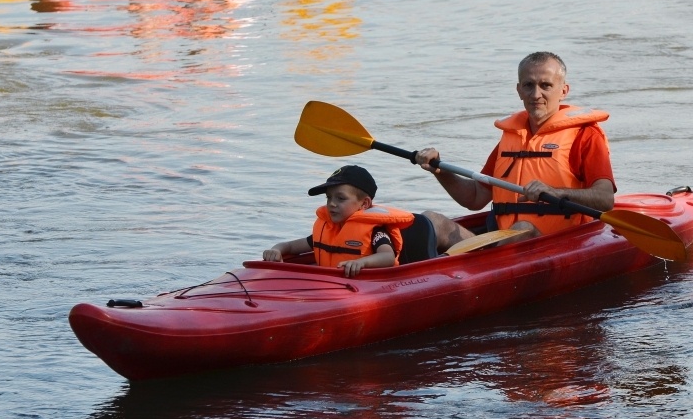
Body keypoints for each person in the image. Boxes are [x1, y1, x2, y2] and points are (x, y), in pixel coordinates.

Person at [414, 51, 617, 251]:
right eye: (528, 85)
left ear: (563, 90)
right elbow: (475, 198)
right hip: (504, 242)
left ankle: (482, 270)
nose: (536, 94)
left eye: (545, 85)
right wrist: (439, 170)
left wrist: (556, 192)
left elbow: (605, 199)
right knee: (432, 221)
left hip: (559, 244)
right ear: (519, 90)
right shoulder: (511, 137)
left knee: (522, 229)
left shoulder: (586, 135)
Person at [262, 165, 415, 277]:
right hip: (332, 284)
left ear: (365, 204)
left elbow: (387, 256)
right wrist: (276, 250)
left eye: (340, 198)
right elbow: (289, 246)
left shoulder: (376, 231)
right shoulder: (327, 229)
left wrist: (361, 263)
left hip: (370, 283)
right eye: (328, 197)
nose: (332, 204)